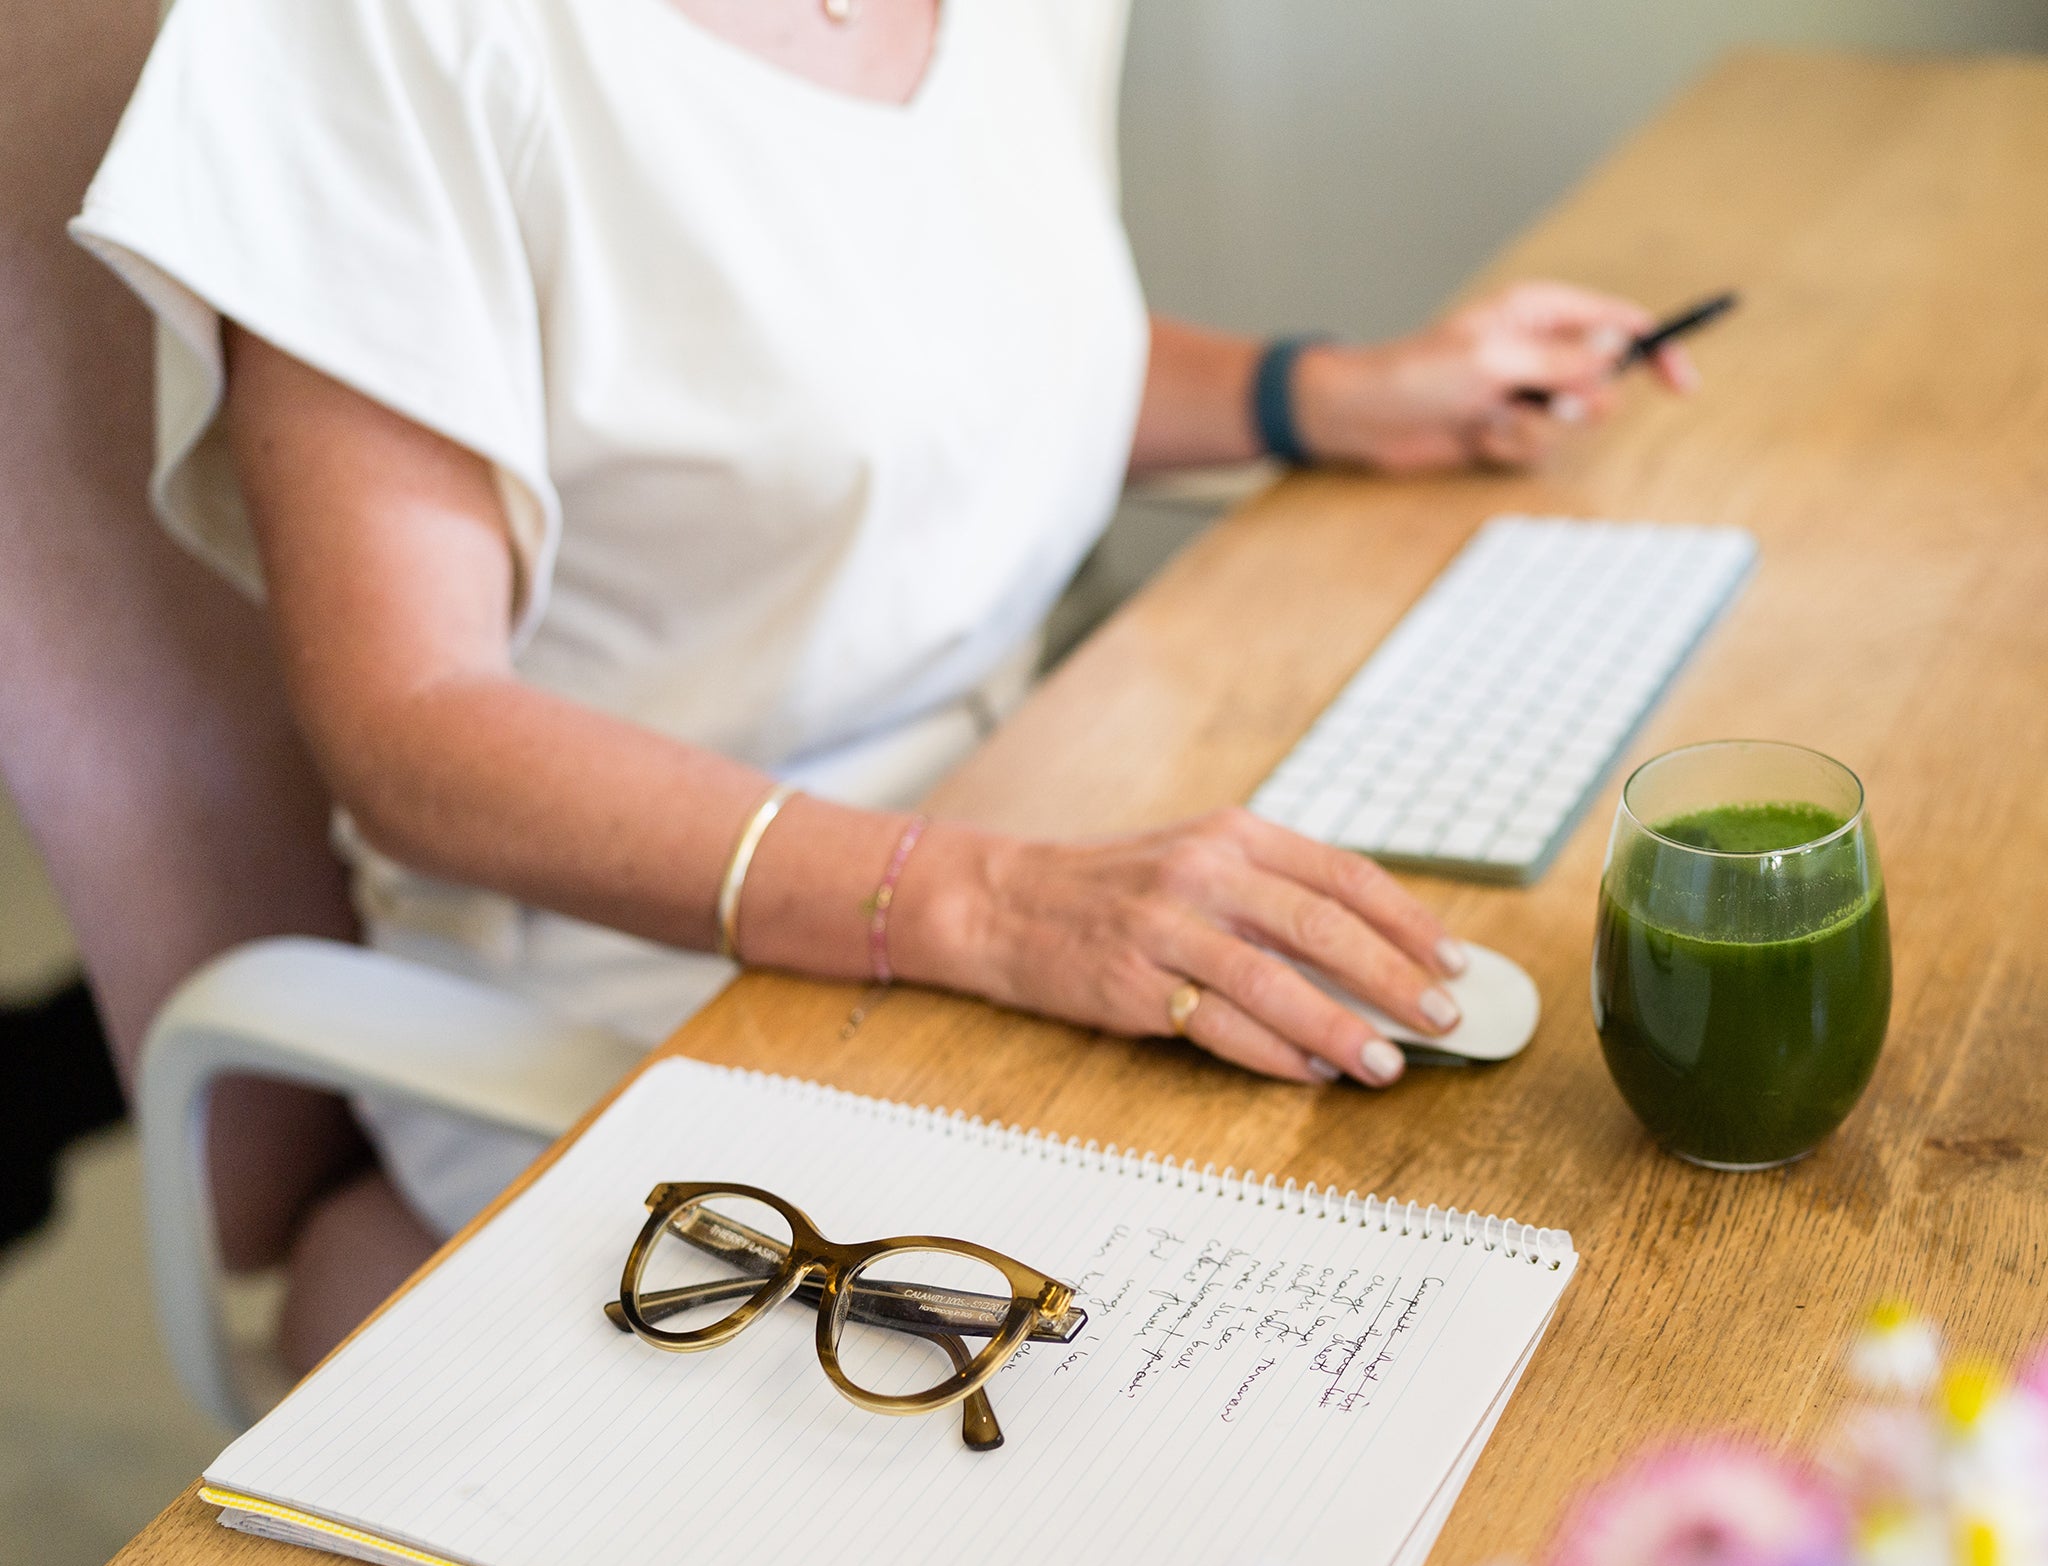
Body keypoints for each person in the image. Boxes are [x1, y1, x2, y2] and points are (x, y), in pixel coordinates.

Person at [74, 0, 1692, 1366]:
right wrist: (980, 907)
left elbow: (935, 360)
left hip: (1033, 832)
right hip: (644, 1002)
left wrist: (1318, 391)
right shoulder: (373, 38)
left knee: (1530, 1248)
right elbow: (413, 728)